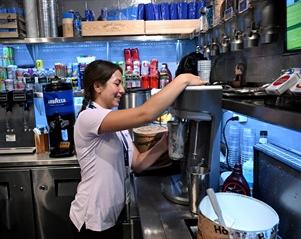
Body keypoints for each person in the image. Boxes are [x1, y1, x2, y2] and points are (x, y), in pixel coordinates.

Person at [69, 60, 206, 239]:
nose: (122, 90)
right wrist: (182, 79)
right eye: (117, 83)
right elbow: (145, 114)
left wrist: (165, 143)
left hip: (111, 217)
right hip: (92, 219)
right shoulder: (89, 118)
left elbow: (138, 163)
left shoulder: (116, 125)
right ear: (98, 86)